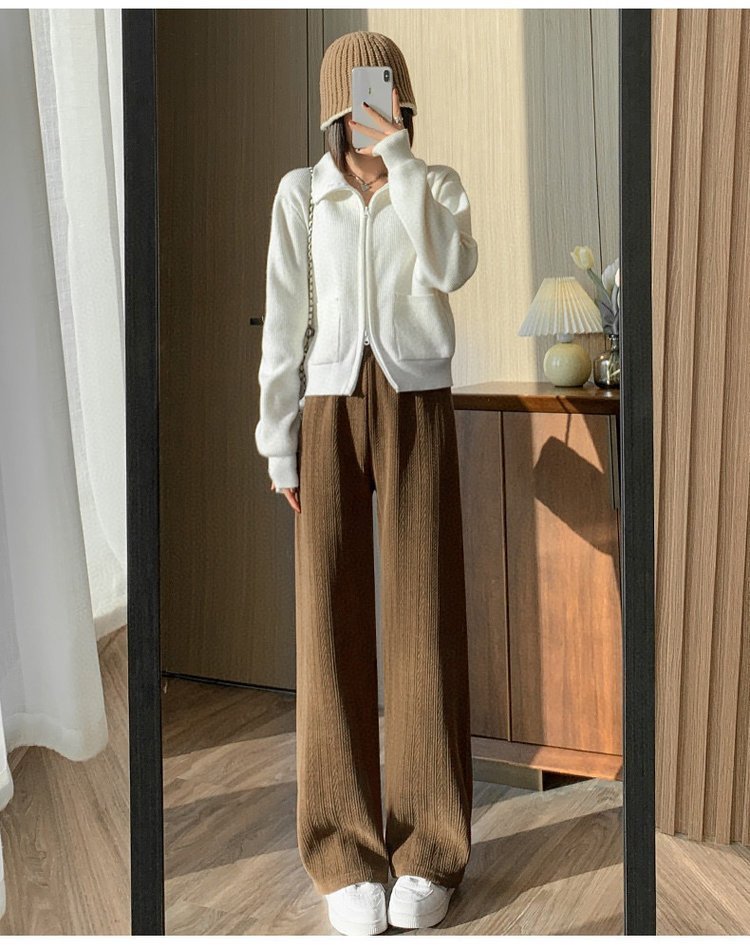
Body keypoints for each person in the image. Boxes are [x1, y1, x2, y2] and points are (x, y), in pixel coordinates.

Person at [255, 30, 479, 936]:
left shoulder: (437, 184)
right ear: (332, 107)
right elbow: (283, 320)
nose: (369, 109)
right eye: (355, 98)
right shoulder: (300, 195)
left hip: (418, 405)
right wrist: (279, 444)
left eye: (384, 94)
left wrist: (403, 163)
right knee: (327, 621)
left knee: (425, 618)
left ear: (402, 99)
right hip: (325, 408)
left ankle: (430, 850)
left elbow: (451, 268)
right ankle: (343, 852)